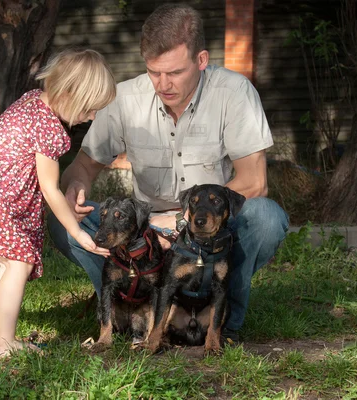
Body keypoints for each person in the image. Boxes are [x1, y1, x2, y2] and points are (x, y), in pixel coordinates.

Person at [48, 4, 289, 342]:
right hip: (140, 236)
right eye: (154, 72)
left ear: (201, 60)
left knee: (266, 217)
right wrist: (76, 186)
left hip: (205, 232)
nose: (163, 84)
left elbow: (254, 181)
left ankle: (223, 320)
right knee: (63, 220)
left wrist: (179, 222)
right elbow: (82, 166)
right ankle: (124, 303)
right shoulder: (125, 98)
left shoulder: (234, 93)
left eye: (174, 73)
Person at [0, 48, 116, 359]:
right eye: (90, 108)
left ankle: (0, 340)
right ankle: (4, 345)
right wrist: (78, 232)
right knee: (19, 262)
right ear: (71, 94)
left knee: (8, 265)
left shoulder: (32, 101)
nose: (92, 117)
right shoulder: (48, 129)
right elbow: (51, 190)